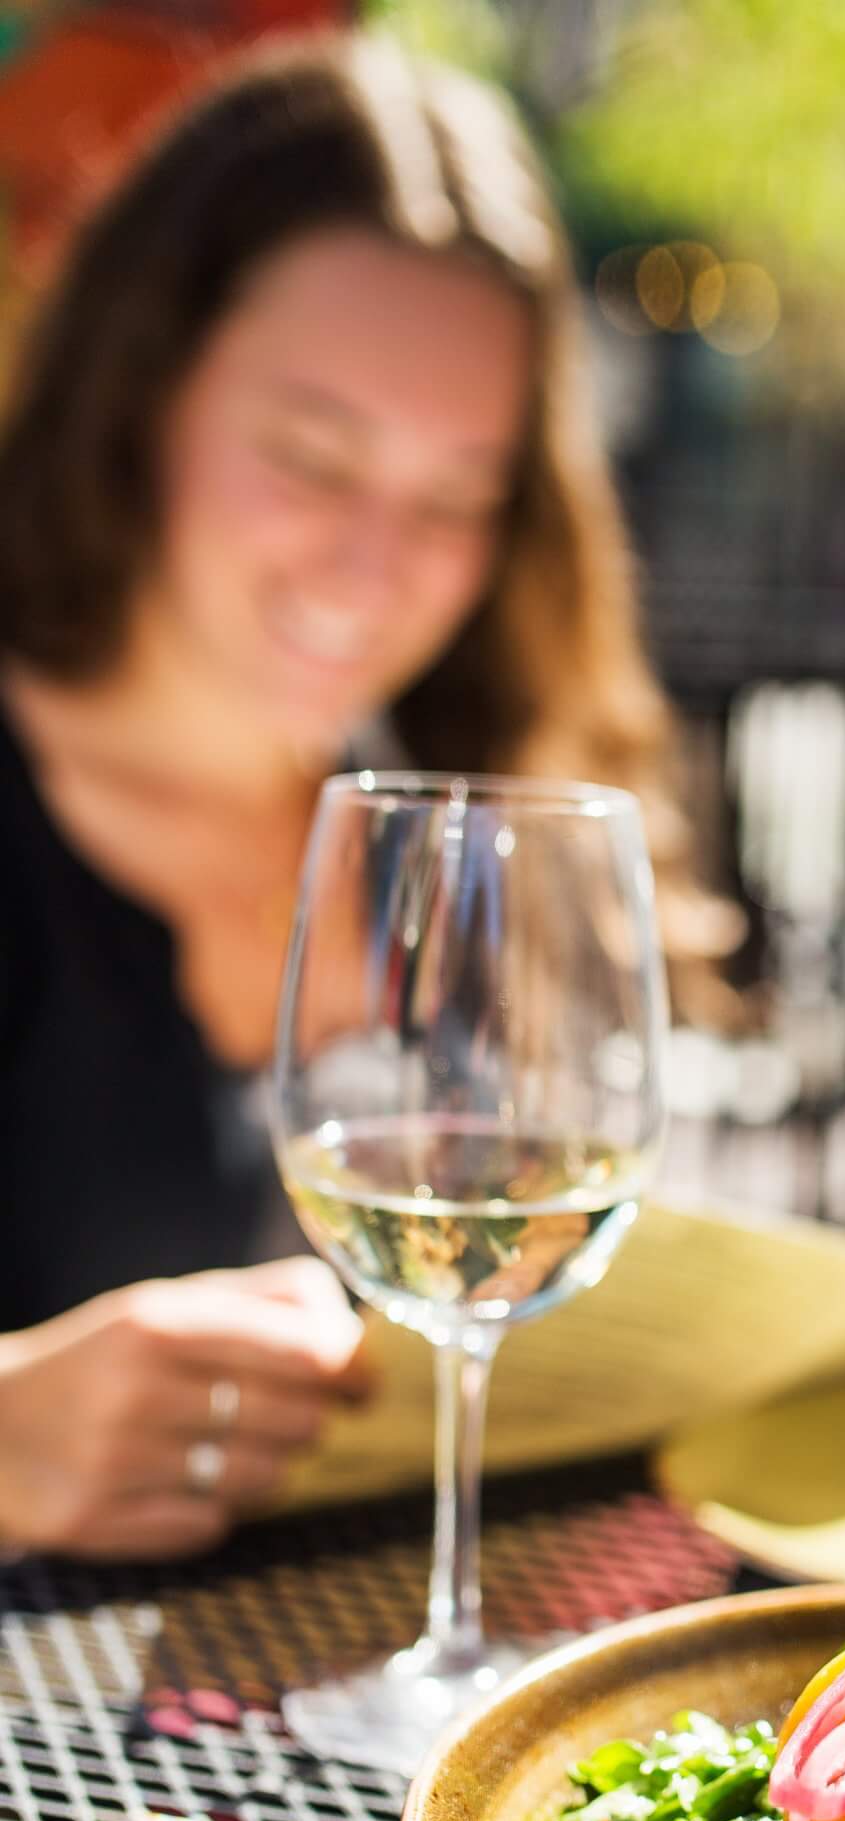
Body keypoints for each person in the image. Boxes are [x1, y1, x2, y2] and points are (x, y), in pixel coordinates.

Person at [0, 34, 721, 1561]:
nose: (379, 565)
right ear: (140, 401)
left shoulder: (489, 788)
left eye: (458, 494)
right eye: (313, 458)